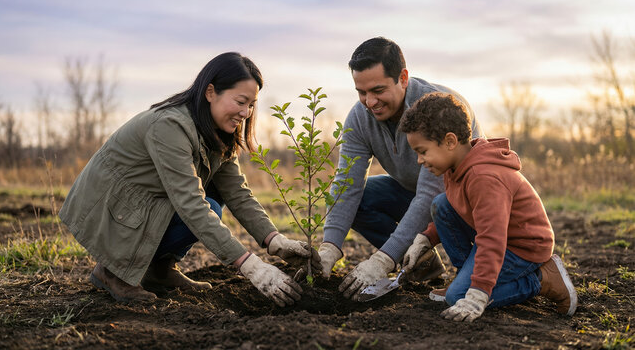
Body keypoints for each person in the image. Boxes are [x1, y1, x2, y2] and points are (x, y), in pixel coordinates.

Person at [59, 52, 320, 307]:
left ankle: (159, 270)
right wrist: (250, 266)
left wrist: (276, 242)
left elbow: (238, 193)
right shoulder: (170, 126)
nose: (246, 112)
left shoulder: (219, 134)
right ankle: (112, 271)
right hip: (112, 208)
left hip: (145, 205)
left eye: (251, 105)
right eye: (240, 102)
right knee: (208, 206)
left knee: (217, 196)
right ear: (210, 92)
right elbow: (190, 203)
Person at [317, 37, 484, 300]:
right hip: (414, 194)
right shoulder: (360, 119)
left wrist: (383, 259)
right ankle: (420, 262)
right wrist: (330, 246)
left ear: (403, 78)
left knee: (461, 292)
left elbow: (431, 194)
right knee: (362, 194)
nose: (370, 102)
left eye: (378, 90)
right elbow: (346, 184)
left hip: (461, 205)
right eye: (361, 92)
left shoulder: (439, 109)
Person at [399, 92, 578, 322]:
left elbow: (492, 239)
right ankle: (467, 278)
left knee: (458, 297)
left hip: (523, 246)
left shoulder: (484, 177)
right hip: (501, 238)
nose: (419, 160)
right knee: (441, 204)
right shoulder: (455, 167)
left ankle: (542, 279)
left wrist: (477, 293)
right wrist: (426, 239)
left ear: (450, 141)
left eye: (423, 151)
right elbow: (458, 209)